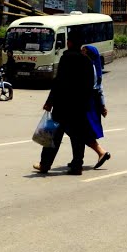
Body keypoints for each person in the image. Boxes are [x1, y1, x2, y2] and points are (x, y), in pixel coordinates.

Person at [34, 29, 96, 176]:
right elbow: (90, 85)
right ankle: (77, 166)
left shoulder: (66, 58)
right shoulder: (87, 60)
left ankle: (44, 165)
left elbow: (58, 82)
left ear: (70, 42)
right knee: (78, 137)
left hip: (63, 105)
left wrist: (50, 101)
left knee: (53, 135)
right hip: (80, 107)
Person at [82, 45, 111, 169]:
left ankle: (101, 152)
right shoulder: (95, 68)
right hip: (92, 103)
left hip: (87, 103)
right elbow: (100, 89)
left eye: (83, 51)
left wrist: (102, 106)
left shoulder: (88, 67)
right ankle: (77, 159)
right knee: (84, 130)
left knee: (82, 131)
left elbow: (97, 89)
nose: (81, 53)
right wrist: (103, 106)